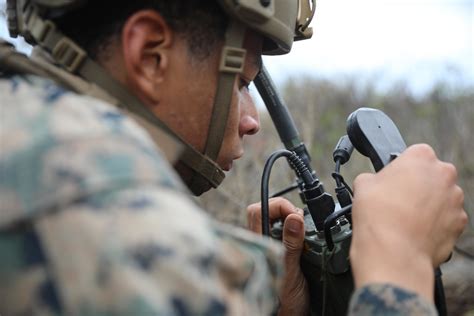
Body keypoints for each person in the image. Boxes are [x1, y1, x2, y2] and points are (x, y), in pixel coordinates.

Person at [0, 0, 467, 315]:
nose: (251, 120)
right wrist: (398, 264)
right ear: (149, 57)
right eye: (242, 83)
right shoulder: (100, 212)